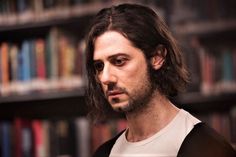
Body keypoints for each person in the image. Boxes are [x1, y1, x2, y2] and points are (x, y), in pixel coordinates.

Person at [85, 3, 236, 157]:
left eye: (119, 61)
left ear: (157, 57)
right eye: (99, 66)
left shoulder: (207, 149)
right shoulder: (104, 153)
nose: (105, 77)